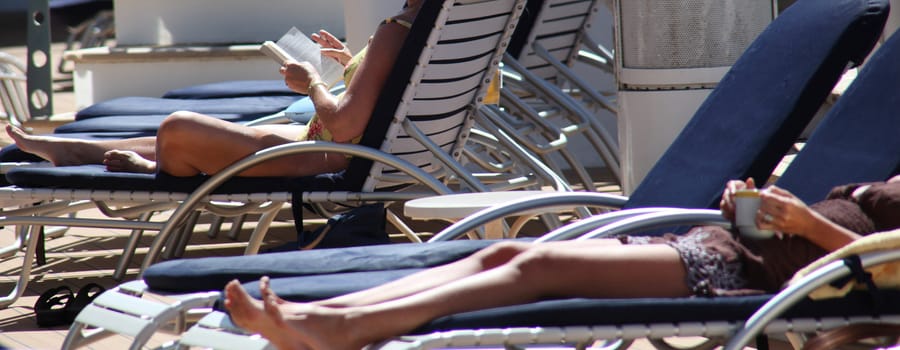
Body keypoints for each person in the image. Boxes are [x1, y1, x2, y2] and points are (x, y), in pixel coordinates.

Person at [222, 175, 900, 350]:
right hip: (726, 245)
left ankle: (344, 333)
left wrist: (805, 222)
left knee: (537, 269)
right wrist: (757, 204)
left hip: (743, 278)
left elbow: (886, 266)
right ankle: (328, 313)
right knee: (509, 250)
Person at [6, 0, 423, 178]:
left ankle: (158, 171)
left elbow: (347, 123)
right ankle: (73, 150)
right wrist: (351, 62)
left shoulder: (393, 33)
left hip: (325, 157)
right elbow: (379, 97)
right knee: (181, 136)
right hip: (332, 148)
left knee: (178, 127)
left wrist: (310, 83)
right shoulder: (421, 29)